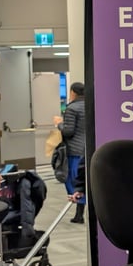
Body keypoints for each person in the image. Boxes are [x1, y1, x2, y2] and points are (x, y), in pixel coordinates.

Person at [53, 82, 86, 223]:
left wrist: (59, 124)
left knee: (73, 180)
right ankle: (80, 213)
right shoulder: (92, 105)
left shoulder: (71, 108)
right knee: (84, 180)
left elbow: (68, 131)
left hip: (75, 150)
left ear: (73, 92)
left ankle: (79, 214)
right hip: (88, 149)